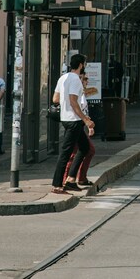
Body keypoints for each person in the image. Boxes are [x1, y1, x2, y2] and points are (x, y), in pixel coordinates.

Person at [51, 54, 94, 195]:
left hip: (66, 118)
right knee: (66, 153)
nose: (84, 66)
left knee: (85, 147)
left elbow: (55, 98)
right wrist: (86, 120)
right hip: (73, 120)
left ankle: (70, 180)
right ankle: (57, 185)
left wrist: (65, 103)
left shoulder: (63, 78)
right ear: (81, 65)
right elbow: (73, 101)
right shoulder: (75, 79)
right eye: (84, 64)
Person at [60, 71, 95, 187]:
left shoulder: (81, 94)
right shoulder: (77, 94)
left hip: (79, 124)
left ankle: (76, 178)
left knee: (82, 151)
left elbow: (83, 111)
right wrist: (87, 122)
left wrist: (87, 124)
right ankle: (69, 179)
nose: (87, 81)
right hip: (75, 124)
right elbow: (78, 109)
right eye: (85, 79)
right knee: (79, 152)